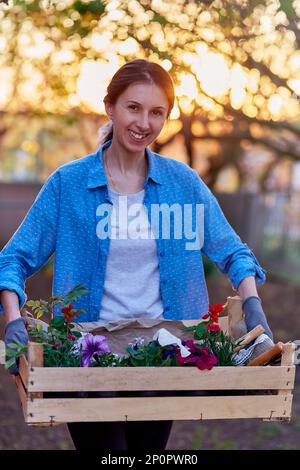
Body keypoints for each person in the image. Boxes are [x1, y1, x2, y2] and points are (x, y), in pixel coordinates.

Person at [0, 59, 273, 450]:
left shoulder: (183, 184)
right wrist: (12, 322)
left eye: (156, 112)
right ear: (110, 107)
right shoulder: (69, 184)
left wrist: (253, 303)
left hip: (165, 356)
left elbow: (231, 251)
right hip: (88, 357)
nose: (144, 122)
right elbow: (13, 259)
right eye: (133, 107)